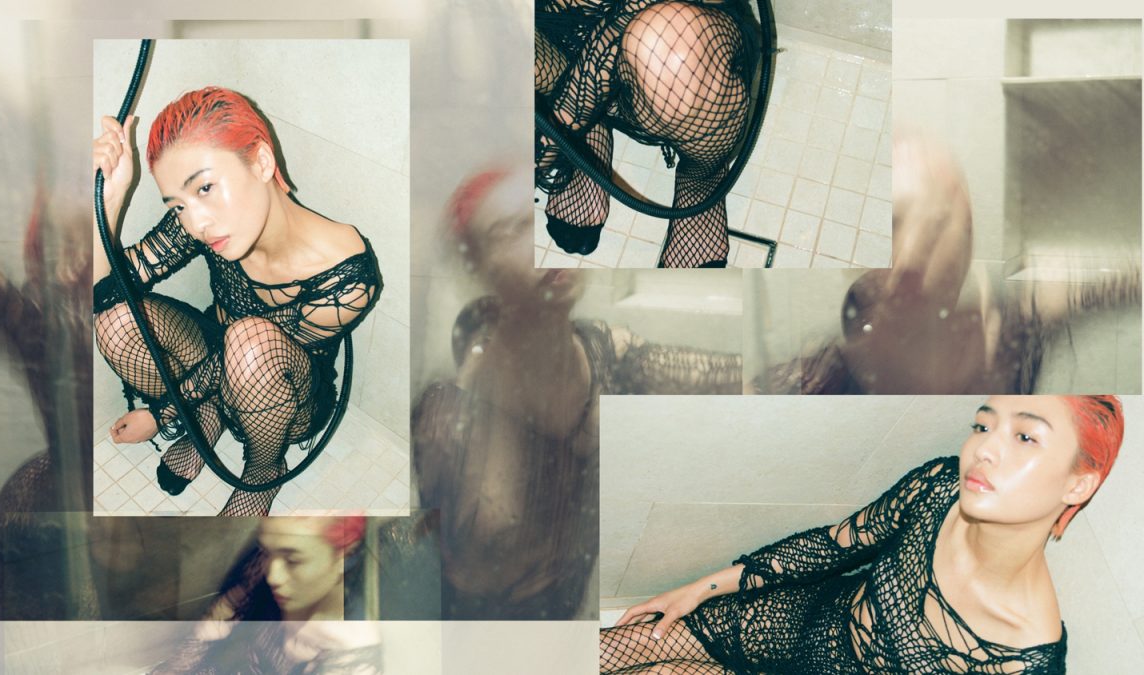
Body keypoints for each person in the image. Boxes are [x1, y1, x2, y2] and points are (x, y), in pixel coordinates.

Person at [413, 165, 746, 619]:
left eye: (534, 215)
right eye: (509, 230)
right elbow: (451, 555)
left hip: (565, 606)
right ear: (480, 266)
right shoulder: (447, 416)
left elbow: (739, 378)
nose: (538, 246)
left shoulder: (607, 351)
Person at [600, 395, 1122, 674]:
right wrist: (700, 588)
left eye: (1025, 436)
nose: (983, 449)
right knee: (601, 652)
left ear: (1078, 483)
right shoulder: (941, 486)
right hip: (794, 623)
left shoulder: (1024, 663)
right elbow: (833, 546)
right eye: (983, 425)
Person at [92, 87, 382, 516]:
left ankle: (264, 471)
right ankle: (205, 417)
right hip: (216, 356)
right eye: (178, 206)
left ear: (261, 162)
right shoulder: (201, 222)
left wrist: (161, 413)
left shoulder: (349, 276)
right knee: (116, 322)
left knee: (250, 345)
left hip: (286, 396)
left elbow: (252, 353)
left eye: (205, 187)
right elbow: (102, 294)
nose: (197, 221)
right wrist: (109, 202)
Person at [756, 132, 1140, 394]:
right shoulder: (820, 375)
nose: (909, 256)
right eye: (894, 225)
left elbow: (1115, 280)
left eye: (937, 223)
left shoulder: (1011, 326)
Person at [536, 0, 763, 267]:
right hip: (559, 36)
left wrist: (557, 130)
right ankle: (588, 132)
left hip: (675, 43)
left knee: (669, 39)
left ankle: (700, 180)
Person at [150, 516, 381, 674]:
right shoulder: (269, 568)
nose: (272, 575)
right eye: (266, 551)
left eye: (293, 560)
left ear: (343, 556)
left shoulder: (351, 659)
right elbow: (218, 618)